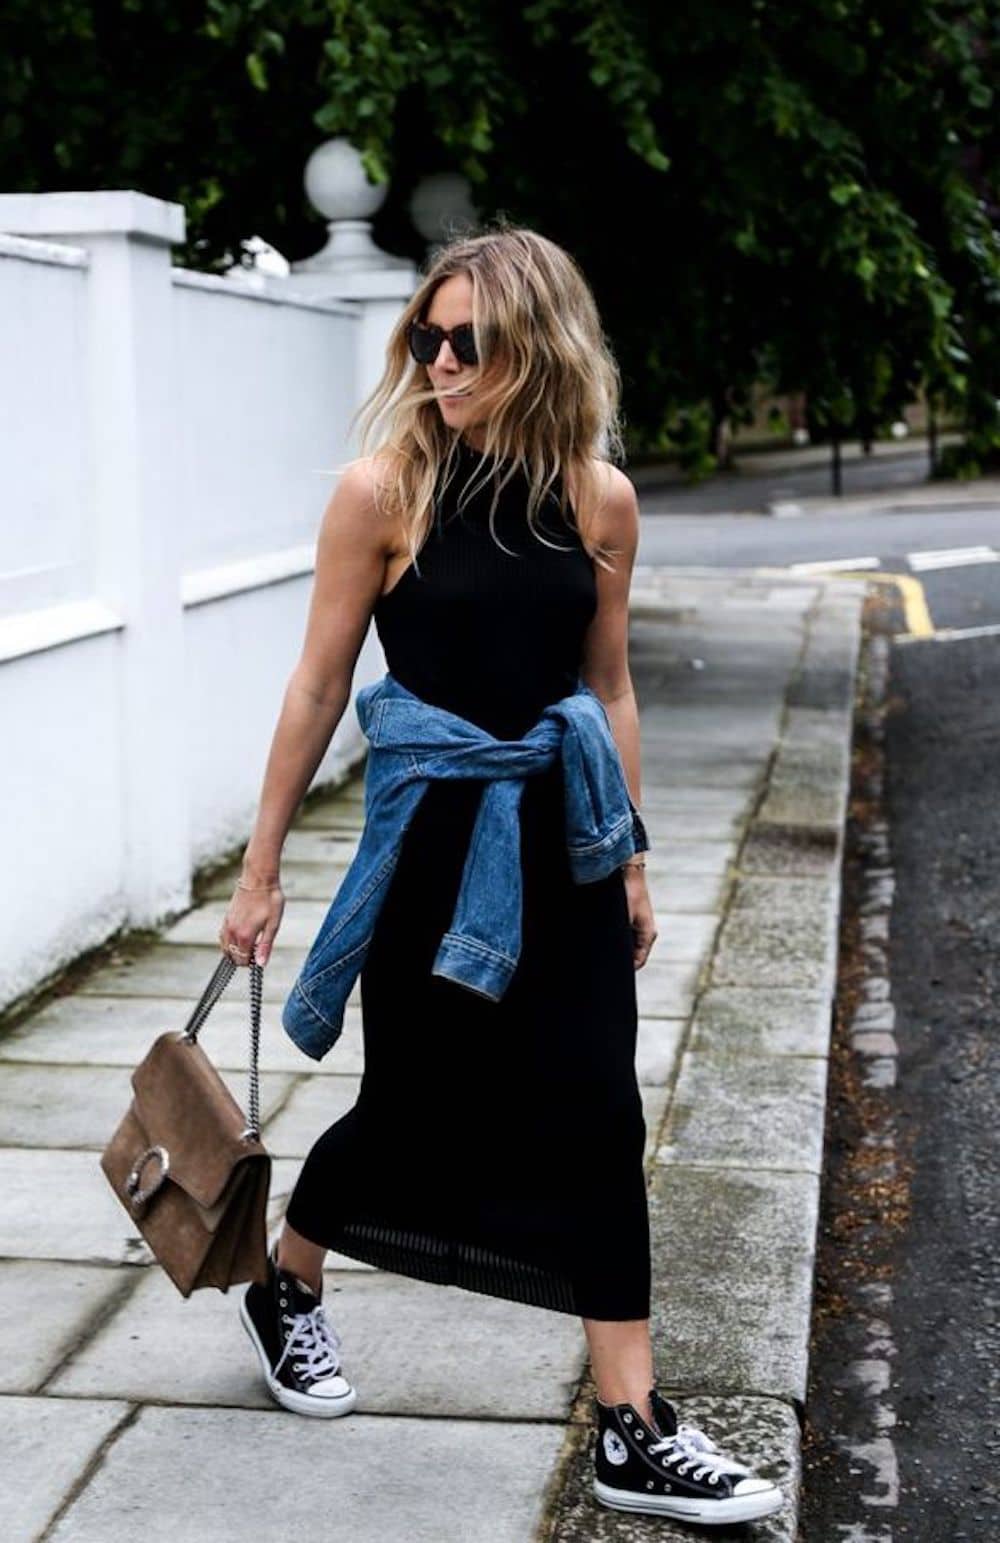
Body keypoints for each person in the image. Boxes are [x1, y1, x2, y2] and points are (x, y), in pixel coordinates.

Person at [218, 224, 783, 1527]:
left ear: (535, 342)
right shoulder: (384, 493)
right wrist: (259, 873)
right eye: (426, 336)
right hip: (432, 841)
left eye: (467, 338)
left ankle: (633, 1425)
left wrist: (629, 855)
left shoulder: (599, 498)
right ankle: (287, 1286)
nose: (442, 360)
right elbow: (316, 686)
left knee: (594, 1110)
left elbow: (610, 687)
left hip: (565, 842)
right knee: (417, 1104)